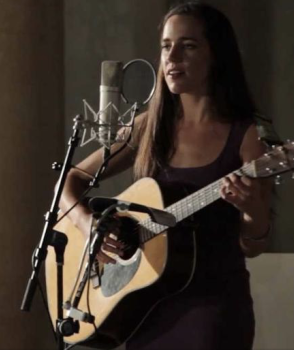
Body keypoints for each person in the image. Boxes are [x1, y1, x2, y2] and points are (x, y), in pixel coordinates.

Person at [60, 1, 272, 349]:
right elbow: (71, 179)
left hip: (212, 308)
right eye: (166, 46)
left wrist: (252, 210)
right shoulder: (149, 126)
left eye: (188, 46)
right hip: (145, 306)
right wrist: (87, 224)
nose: (172, 58)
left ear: (216, 55)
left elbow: (254, 243)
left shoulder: (247, 136)